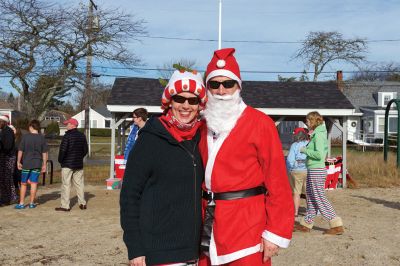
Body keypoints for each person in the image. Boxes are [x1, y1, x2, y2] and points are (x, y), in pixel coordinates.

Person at [198, 48, 294, 266]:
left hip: (247, 226)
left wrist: (275, 232)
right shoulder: (202, 125)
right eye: (214, 84)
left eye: (227, 84)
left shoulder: (260, 123)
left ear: (238, 86)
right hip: (208, 225)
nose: (221, 90)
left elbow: (278, 181)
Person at [120, 69, 207, 266]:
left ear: (199, 105)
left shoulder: (200, 139)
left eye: (192, 100)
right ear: (169, 102)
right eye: (179, 99)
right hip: (159, 251)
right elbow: (129, 196)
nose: (186, 105)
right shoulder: (150, 139)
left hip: (194, 251)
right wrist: (135, 247)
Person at [294, 111, 344, 235]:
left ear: (314, 121)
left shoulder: (320, 135)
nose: (306, 123)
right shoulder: (316, 134)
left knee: (319, 197)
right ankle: (307, 223)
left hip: (317, 170)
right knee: (311, 196)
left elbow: (320, 155)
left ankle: (336, 224)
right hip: (313, 169)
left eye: (308, 121)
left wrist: (304, 150)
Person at [55, 118, 88, 212]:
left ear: (73, 125)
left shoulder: (67, 136)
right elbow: (85, 150)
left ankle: (65, 206)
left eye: (68, 124)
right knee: (79, 184)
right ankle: (82, 203)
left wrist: (60, 160)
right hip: (78, 164)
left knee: (66, 184)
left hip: (67, 164)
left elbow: (63, 150)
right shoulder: (82, 136)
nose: (66, 126)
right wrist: (79, 157)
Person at [15, 119, 48, 209]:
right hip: (37, 163)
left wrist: (18, 161)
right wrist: (44, 164)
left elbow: (20, 150)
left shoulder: (25, 137)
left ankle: (21, 203)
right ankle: (31, 203)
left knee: (23, 183)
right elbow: (45, 152)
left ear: (31, 127)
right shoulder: (42, 138)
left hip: (26, 163)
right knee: (34, 183)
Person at [286, 127, 309, 217]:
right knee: (308, 192)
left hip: (296, 171)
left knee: (296, 192)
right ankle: (310, 211)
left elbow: (290, 160)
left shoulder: (294, 145)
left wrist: (290, 169)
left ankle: (295, 212)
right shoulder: (309, 144)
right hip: (308, 170)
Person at [0, 114, 18, 206]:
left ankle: (11, 198)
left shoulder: (9, 131)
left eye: (0, 121)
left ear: (4, 122)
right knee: (2, 178)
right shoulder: (3, 131)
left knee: (8, 178)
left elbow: (8, 146)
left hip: (9, 157)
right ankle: (4, 198)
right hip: (4, 157)